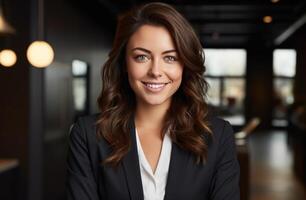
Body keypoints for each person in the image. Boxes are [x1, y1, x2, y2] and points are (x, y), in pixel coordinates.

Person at [67, 2, 240, 200]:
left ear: (185, 65)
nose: (156, 71)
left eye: (170, 58)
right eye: (142, 57)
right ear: (124, 63)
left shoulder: (218, 136)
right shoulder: (88, 135)